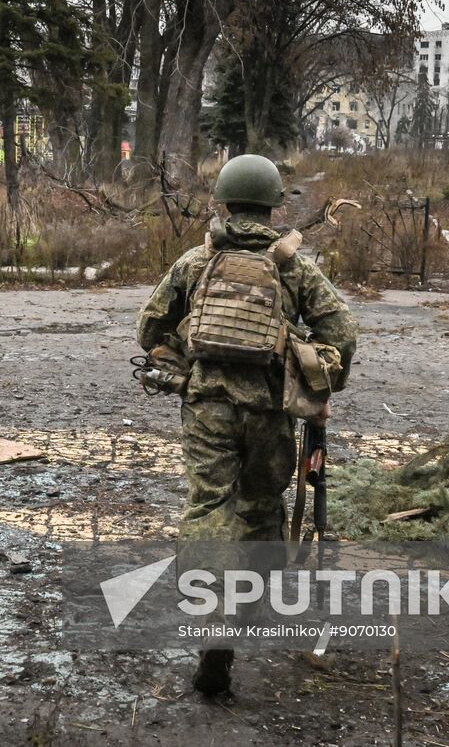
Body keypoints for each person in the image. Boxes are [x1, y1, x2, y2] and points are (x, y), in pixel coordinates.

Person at [135, 153, 358, 697]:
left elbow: (149, 329)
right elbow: (343, 333)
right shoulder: (292, 266)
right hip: (269, 410)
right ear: (274, 206)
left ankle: (212, 621)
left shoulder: (195, 262)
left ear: (224, 203)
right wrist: (317, 379)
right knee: (261, 504)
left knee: (211, 504)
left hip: (206, 406)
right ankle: (247, 610)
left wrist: (186, 360)